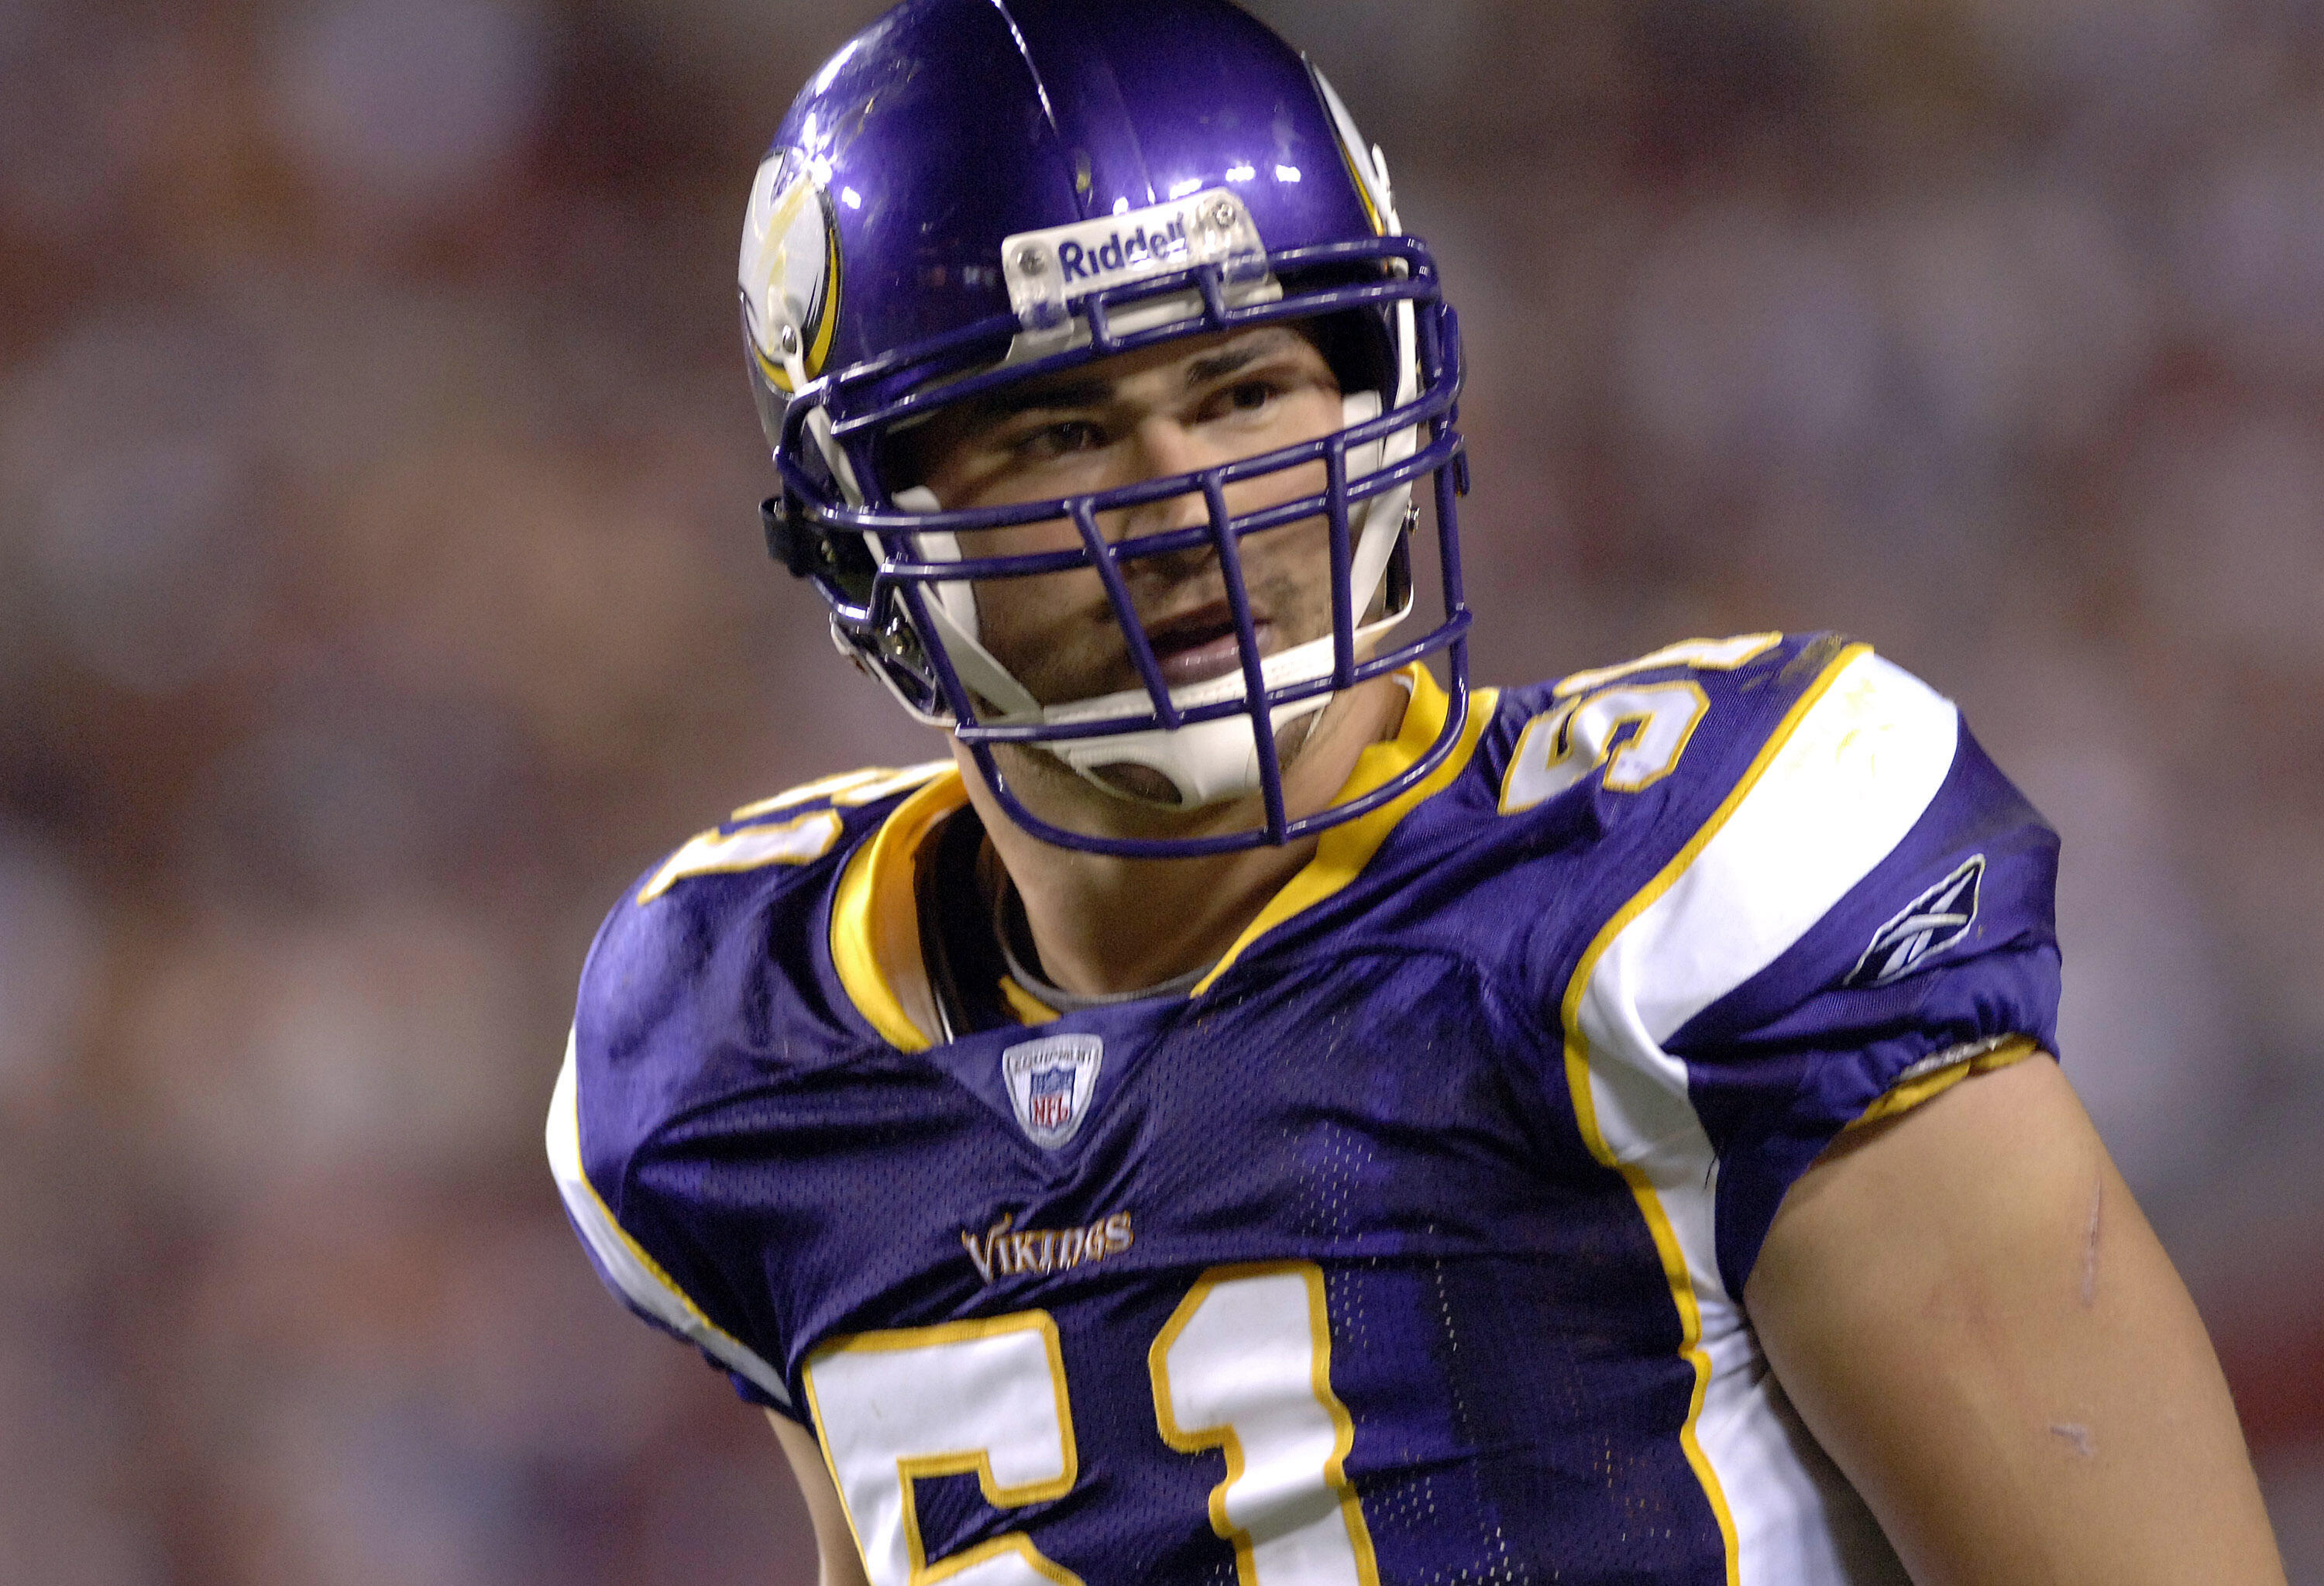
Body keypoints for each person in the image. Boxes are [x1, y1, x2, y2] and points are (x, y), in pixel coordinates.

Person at [548, 2, 2288, 1581]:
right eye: (1057, 429)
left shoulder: (1669, 885)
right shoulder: (737, 1048)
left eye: (1241, 391)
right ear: (866, 537)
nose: (1184, 500)